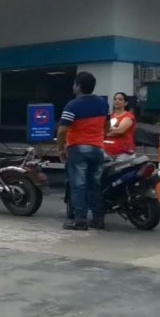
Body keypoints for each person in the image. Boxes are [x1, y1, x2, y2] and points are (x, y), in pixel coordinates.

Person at [57, 72, 109, 231]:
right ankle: (98, 219)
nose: (73, 86)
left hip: (78, 148)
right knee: (95, 184)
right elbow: (107, 126)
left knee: (79, 185)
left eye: (74, 84)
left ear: (78, 86)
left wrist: (61, 148)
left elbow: (62, 131)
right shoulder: (103, 103)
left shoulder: (73, 105)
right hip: (98, 149)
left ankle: (80, 220)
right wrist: (99, 137)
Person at [104, 92, 136, 161]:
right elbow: (103, 132)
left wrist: (109, 130)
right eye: (115, 99)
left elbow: (120, 130)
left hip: (124, 154)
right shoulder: (110, 116)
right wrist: (109, 130)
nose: (117, 101)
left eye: (120, 99)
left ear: (125, 103)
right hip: (107, 153)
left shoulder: (128, 116)